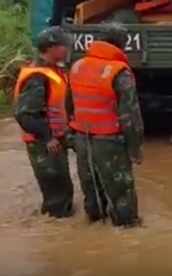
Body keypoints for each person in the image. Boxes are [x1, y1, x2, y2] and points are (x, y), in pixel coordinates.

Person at [68, 23, 144, 227]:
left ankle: (94, 224)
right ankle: (127, 229)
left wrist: (71, 135)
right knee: (121, 188)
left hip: (82, 137)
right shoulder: (119, 72)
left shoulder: (77, 65)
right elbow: (130, 115)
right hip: (109, 140)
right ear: (122, 44)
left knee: (90, 186)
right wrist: (135, 148)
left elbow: (68, 104)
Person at [12, 26, 75, 218]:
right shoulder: (37, 77)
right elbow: (24, 114)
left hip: (54, 140)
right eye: (63, 45)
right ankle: (57, 237)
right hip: (45, 144)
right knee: (57, 196)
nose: (67, 49)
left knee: (62, 192)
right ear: (50, 48)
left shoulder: (51, 71)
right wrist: (47, 138)